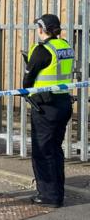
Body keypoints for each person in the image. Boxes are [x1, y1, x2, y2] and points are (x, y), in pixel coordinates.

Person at [23, 14, 74, 208]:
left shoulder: (41, 49)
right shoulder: (65, 46)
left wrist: (29, 63)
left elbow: (27, 80)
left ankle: (48, 196)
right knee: (55, 150)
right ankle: (57, 192)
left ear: (43, 29)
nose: (38, 31)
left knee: (43, 152)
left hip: (45, 106)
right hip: (63, 102)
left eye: (38, 27)